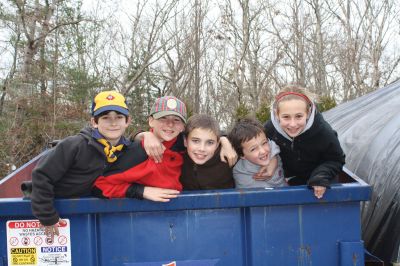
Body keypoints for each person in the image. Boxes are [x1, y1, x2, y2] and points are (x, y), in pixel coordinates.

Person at [30, 90, 131, 241]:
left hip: (90, 210)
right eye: (105, 118)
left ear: (127, 121)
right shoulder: (74, 145)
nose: (113, 123)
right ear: (94, 122)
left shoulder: (126, 150)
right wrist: (47, 215)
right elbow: (42, 175)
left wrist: (143, 134)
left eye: (119, 117)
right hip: (54, 208)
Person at [92, 95, 187, 198]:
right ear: (151, 121)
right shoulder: (137, 153)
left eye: (177, 120)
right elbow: (99, 185)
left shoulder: (191, 150)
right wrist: (140, 191)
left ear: (183, 126)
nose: (170, 124)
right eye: (163, 118)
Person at [264, 84, 345, 199]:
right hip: (288, 183)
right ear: (277, 114)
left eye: (299, 116)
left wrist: (320, 176)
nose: (293, 124)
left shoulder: (323, 131)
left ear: (308, 112)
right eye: (286, 117)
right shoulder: (269, 129)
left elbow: (336, 159)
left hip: (321, 183)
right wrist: (271, 160)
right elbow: (254, 145)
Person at [180, 114, 235, 190]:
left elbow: (250, 144)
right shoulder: (177, 155)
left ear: (217, 144)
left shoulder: (228, 157)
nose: (202, 148)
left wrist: (258, 165)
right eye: (196, 141)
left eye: (210, 142)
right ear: (185, 142)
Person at [229, 118, 286, 188]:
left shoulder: (272, 148)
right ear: (242, 155)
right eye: (253, 149)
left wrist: (273, 159)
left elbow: (273, 144)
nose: (263, 151)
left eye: (264, 143)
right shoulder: (240, 172)